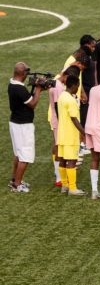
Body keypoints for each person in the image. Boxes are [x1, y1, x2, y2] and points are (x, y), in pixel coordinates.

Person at [7, 63, 43, 192]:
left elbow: (26, 99)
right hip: (23, 126)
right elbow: (32, 104)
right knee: (25, 156)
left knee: (18, 153)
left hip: (15, 123)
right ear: (22, 74)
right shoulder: (20, 89)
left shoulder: (12, 84)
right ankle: (17, 185)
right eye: (27, 72)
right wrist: (38, 89)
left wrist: (37, 89)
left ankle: (14, 180)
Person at [57, 75, 87, 196]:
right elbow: (75, 119)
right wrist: (84, 133)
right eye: (78, 86)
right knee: (72, 161)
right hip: (70, 136)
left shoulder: (62, 96)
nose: (78, 88)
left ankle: (64, 185)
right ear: (74, 85)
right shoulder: (71, 100)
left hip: (62, 134)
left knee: (63, 160)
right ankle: (73, 188)